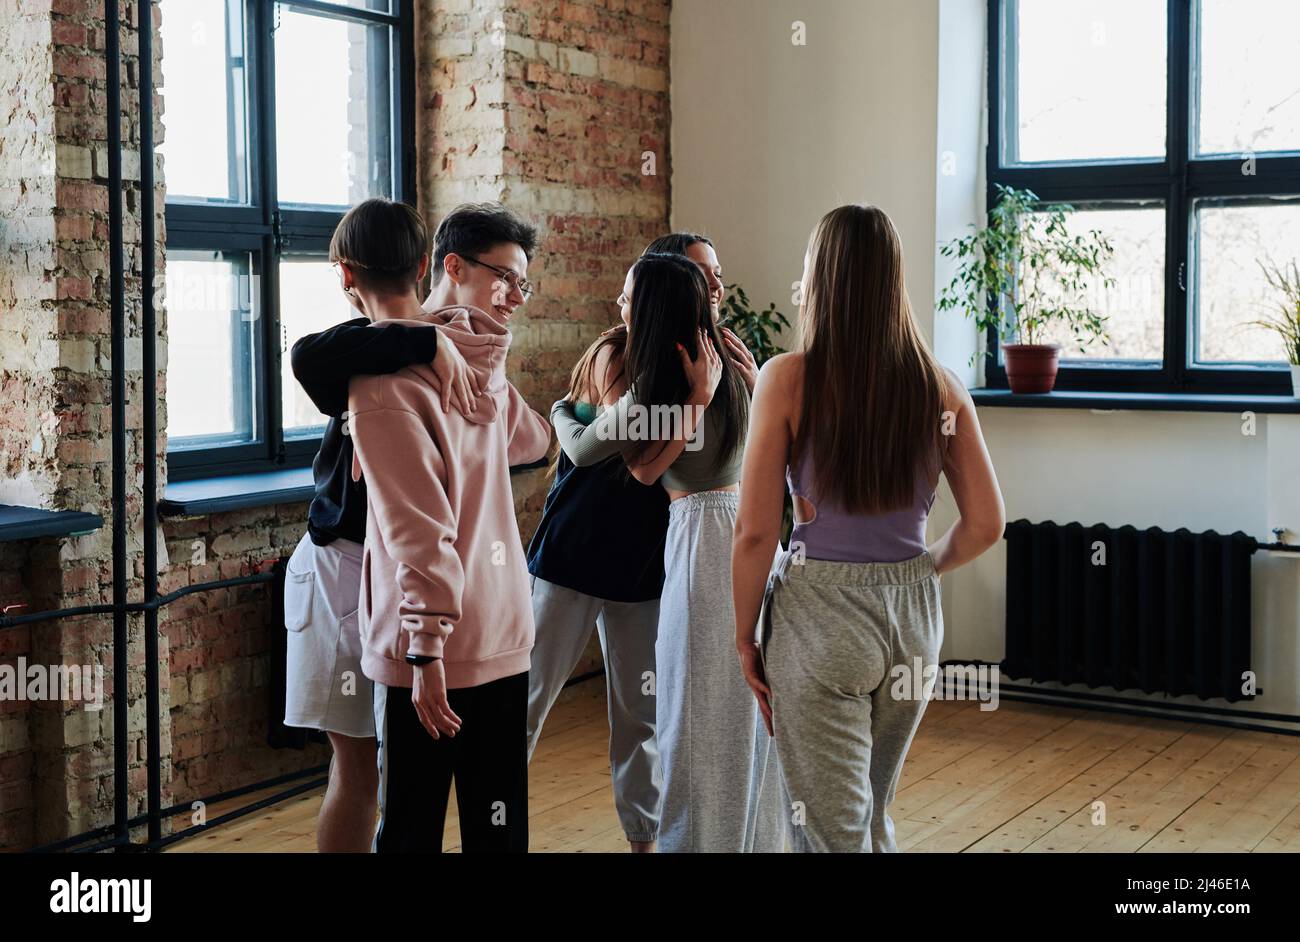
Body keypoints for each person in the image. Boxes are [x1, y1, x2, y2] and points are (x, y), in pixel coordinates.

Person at [731, 204, 1005, 853]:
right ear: (894, 281)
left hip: (819, 617)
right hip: (913, 626)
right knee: (870, 817)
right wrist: (920, 569)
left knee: (828, 831)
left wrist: (745, 637)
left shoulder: (787, 378)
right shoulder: (940, 389)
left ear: (819, 278)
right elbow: (987, 523)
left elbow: (751, 533)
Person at [523, 232, 755, 853]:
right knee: (528, 694)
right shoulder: (620, 355)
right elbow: (615, 452)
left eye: (716, 276)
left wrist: (566, 412)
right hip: (577, 548)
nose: (716, 288)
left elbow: (662, 463)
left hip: (650, 557)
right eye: (705, 277)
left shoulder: (716, 364)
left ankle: (645, 841)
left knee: (641, 714)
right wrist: (568, 413)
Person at [347, 202, 551, 853]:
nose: (517, 296)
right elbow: (537, 442)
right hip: (501, 628)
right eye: (507, 278)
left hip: (430, 648)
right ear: (449, 265)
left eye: (524, 282)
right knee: (497, 834)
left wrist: (425, 648)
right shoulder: (478, 364)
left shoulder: (384, 379)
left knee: (409, 832)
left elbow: (417, 529)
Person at [284, 197, 479, 853]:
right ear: (425, 264)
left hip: (389, 577)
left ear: (345, 274)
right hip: (352, 572)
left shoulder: (399, 351)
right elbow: (308, 353)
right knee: (370, 772)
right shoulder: (383, 350)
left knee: (373, 773)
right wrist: (426, 337)